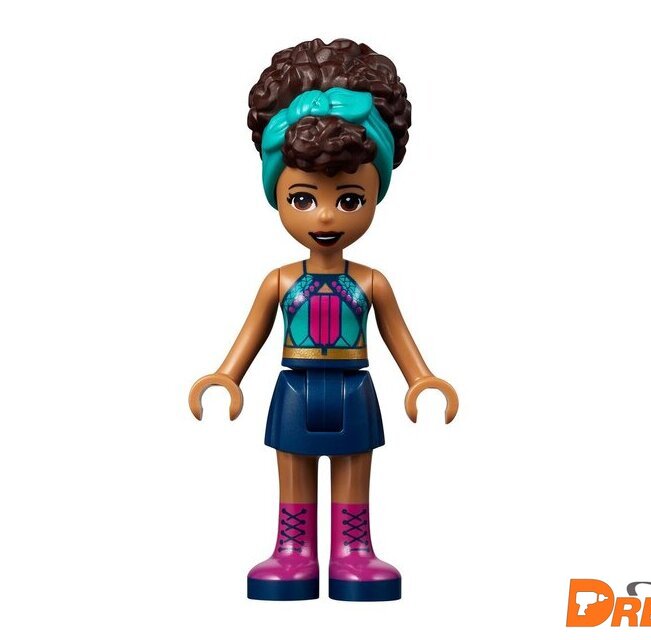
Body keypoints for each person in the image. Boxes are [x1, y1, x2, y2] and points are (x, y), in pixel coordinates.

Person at [189, 38, 458, 602]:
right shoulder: (280, 281)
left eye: (351, 200)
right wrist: (226, 376)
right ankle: (293, 550)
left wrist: (422, 379)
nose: (328, 216)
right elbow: (252, 334)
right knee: (294, 468)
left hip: (354, 387)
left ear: (376, 195)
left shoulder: (372, 283)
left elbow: (398, 336)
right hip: (295, 387)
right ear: (278, 196)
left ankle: (353, 551)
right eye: (304, 199)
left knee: (354, 467)